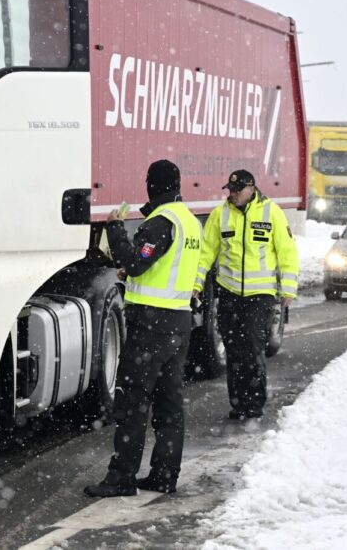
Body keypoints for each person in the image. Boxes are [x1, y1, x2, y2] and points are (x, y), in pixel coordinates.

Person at [84, 159, 203, 497]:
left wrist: (116, 228)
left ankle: (122, 476)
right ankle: (164, 475)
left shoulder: (160, 223)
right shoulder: (190, 223)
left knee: (133, 402)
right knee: (169, 405)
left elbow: (135, 263)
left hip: (151, 326)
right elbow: (168, 267)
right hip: (178, 323)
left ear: (152, 185)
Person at [193, 169, 299, 420]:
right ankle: (238, 404)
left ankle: (254, 404)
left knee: (252, 349)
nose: (233, 195)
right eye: (230, 190)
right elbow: (206, 253)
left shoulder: (271, 212)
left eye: (237, 190)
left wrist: (289, 289)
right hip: (229, 295)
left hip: (259, 296)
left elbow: (287, 253)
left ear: (251, 188)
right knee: (233, 350)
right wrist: (196, 284)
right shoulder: (221, 214)